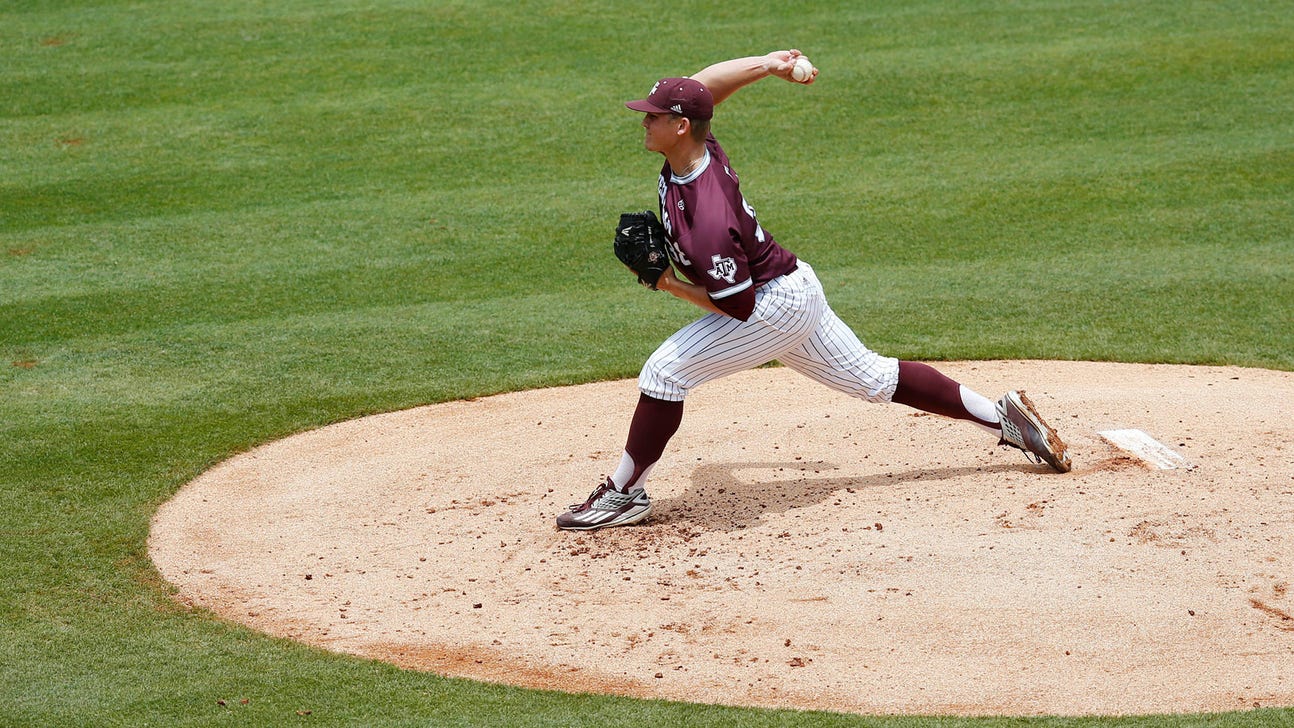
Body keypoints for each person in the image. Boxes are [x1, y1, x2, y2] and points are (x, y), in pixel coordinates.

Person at [556, 50, 1071, 531]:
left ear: (680, 126)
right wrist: (767, 64)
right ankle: (1002, 417)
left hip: (769, 307)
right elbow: (705, 86)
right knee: (873, 376)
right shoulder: (698, 147)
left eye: (652, 116)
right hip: (795, 286)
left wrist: (664, 281)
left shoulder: (708, 215)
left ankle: (625, 493)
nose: (643, 121)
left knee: (665, 372)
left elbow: (736, 307)